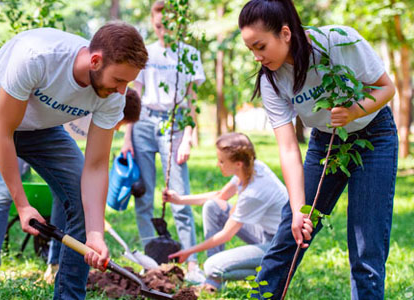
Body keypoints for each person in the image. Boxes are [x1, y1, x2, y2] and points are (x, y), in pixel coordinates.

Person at [0, 23, 148, 300]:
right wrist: (22, 204)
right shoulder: (38, 56)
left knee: (82, 203)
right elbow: (2, 132)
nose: (123, 91)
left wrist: (95, 232)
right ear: (95, 61)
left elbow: (96, 165)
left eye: (128, 83)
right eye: (119, 80)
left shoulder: (113, 97)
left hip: (43, 130)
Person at [238, 0, 398, 298]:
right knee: (290, 231)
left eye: (261, 46)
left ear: (285, 33)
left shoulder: (337, 41)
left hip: (374, 136)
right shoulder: (271, 80)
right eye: (251, 50)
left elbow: (387, 89)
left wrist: (354, 111)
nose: (257, 57)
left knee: (367, 246)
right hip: (327, 143)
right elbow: (287, 147)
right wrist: (300, 210)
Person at [0, 89, 142, 283]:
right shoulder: (87, 102)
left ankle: (55, 264)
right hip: (21, 130)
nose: (117, 129)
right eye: (121, 123)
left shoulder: (102, 118)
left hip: (49, 143)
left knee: (62, 194)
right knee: (3, 193)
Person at [120, 0, 206, 283]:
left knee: (179, 194)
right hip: (144, 120)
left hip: (175, 122)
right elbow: (135, 93)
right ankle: (149, 259)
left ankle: (191, 260)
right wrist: (127, 138)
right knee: (143, 194)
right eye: (157, 24)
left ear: (177, 22)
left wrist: (189, 136)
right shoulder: (146, 53)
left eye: (167, 23)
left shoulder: (189, 54)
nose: (162, 29)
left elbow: (192, 100)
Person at [163, 133, 288, 291]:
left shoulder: (254, 193)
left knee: (211, 266)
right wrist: (179, 199)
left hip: (279, 247)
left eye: (222, 161)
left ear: (238, 164)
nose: (217, 164)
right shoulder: (252, 167)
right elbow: (220, 196)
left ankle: (277, 272)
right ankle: (212, 283)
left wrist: (189, 251)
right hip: (264, 232)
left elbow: (226, 235)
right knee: (212, 206)